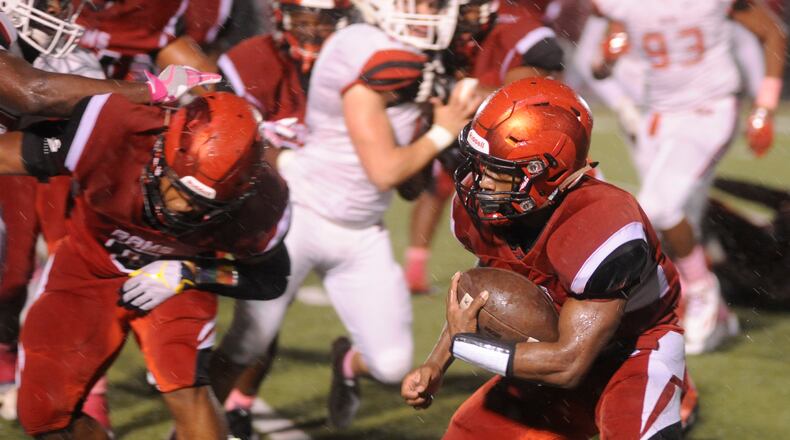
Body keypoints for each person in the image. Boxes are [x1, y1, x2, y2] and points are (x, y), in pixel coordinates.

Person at [210, 0, 482, 430]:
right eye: (412, 4)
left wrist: (436, 121)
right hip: (300, 214)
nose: (424, 15)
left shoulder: (423, 58)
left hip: (361, 231)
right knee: (247, 343)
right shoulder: (356, 45)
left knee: (392, 366)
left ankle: (346, 363)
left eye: (431, 5)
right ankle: (190, 428)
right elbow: (384, 170)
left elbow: (408, 187)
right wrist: (444, 128)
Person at [402, 77, 688, 439]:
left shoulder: (603, 223)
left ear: (545, 174)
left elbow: (568, 365)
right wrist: (436, 365)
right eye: (479, 164)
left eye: (498, 171)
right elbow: (487, 289)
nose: (480, 182)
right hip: (548, 354)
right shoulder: (485, 213)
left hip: (633, 354)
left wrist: (467, 346)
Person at [0, 91, 291, 439]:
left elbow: (272, 278)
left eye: (201, 204)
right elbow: (18, 150)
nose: (184, 209)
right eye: (180, 190)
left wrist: (193, 273)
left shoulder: (259, 203)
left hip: (176, 275)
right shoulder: (117, 133)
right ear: (162, 151)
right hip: (90, 265)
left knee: (185, 386)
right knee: (44, 414)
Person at [0, 0, 220, 429]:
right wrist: (153, 92)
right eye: (52, 2)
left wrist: (148, 131)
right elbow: (34, 91)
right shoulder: (26, 67)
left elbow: (44, 146)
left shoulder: (47, 54)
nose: (63, 12)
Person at [591, 0, 786, 355]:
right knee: (675, 219)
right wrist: (606, 57)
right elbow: (600, 68)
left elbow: (771, 32)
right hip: (658, 116)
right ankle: (718, 317)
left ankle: (702, 291)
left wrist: (765, 106)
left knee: (659, 208)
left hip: (709, 109)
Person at [207, 0, 352, 436]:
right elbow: (229, 133)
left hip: (290, 213)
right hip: (225, 202)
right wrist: (286, 161)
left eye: (324, 18)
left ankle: (235, 405)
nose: (313, 28)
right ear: (283, 15)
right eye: (305, 16)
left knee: (263, 313)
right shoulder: (248, 60)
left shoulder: (350, 64)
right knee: (190, 310)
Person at [404, 0, 565, 294]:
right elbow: (409, 185)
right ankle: (415, 266)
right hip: (476, 144)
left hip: (530, 159)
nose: (445, 14)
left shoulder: (517, 30)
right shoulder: (440, 34)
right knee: (443, 186)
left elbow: (533, 92)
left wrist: (467, 93)